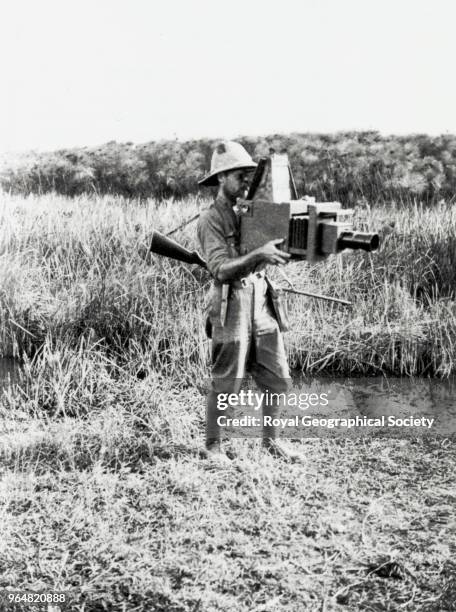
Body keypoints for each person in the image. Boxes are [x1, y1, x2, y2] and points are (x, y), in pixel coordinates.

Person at [197, 141, 306, 464]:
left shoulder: (252, 211)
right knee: (227, 380)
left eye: (248, 176)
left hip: (261, 299)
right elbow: (219, 269)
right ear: (220, 179)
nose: (246, 182)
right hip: (231, 303)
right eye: (239, 176)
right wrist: (260, 253)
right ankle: (212, 447)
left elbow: (272, 247)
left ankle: (270, 443)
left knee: (277, 375)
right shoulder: (211, 220)